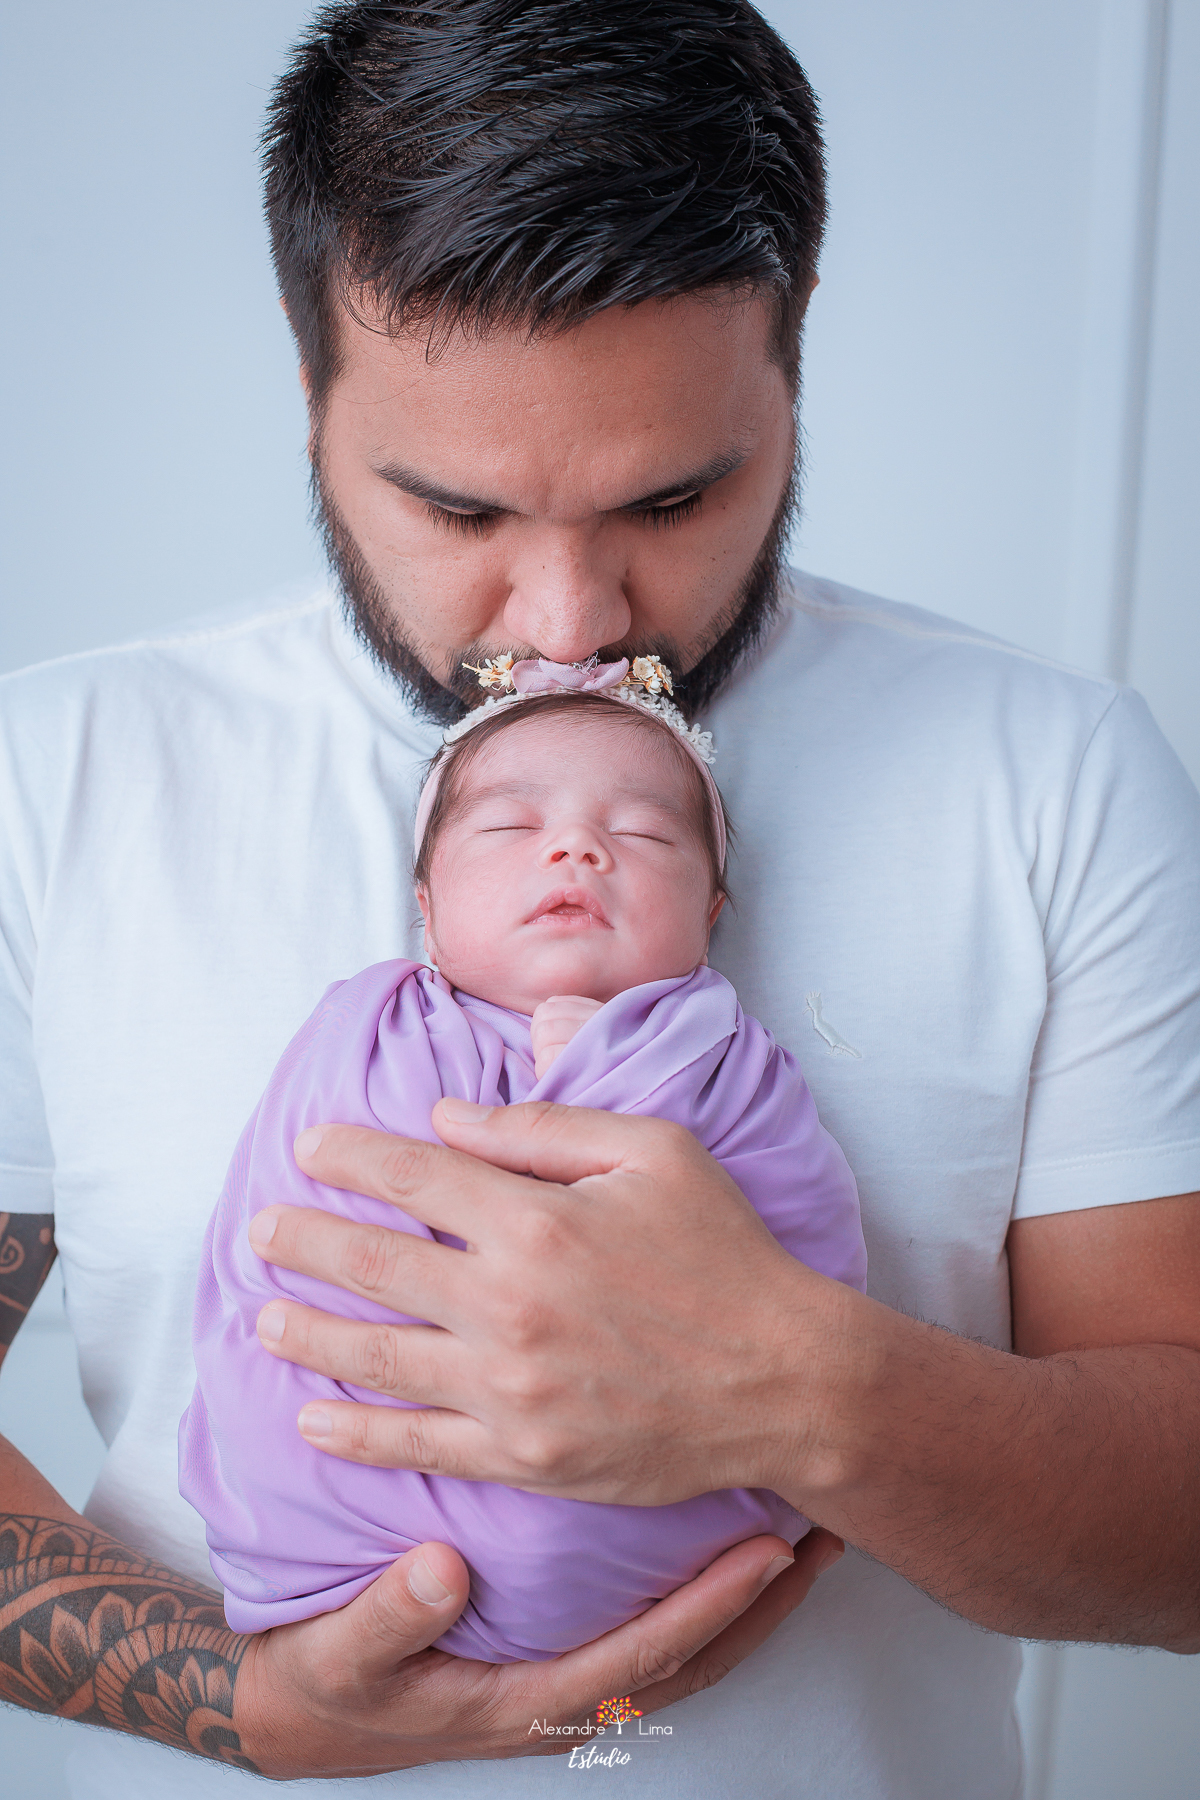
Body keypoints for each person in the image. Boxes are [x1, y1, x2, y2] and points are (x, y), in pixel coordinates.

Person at [0, 2, 1197, 1796]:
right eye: (459, 511)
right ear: (308, 374)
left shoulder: (1058, 777)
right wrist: (246, 1707)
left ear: (795, 343)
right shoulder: (49, 779)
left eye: (676, 495)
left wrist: (798, 1390)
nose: (570, 625)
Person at [179, 669, 867, 1658]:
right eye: (509, 825)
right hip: (342, 1486)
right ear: (426, 905)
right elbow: (301, 1198)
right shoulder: (370, 1026)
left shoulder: (721, 1056)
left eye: (645, 834)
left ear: (711, 913)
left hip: (639, 1511)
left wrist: (618, 1083)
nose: (577, 847)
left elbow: (791, 1232)